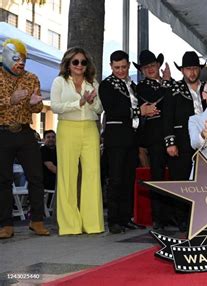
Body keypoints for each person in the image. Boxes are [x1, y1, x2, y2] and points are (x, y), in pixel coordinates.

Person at [99, 50, 157, 234]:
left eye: (124, 67)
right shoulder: (107, 85)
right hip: (116, 139)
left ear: (128, 66)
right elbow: (113, 109)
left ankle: (126, 218)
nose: (121, 70)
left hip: (132, 138)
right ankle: (114, 220)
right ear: (111, 67)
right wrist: (140, 112)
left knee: (128, 179)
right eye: (117, 67)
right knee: (115, 179)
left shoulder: (132, 85)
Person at [50, 47, 104, 235]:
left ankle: (93, 224)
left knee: (92, 175)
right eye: (75, 62)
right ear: (68, 64)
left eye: (83, 62)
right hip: (67, 129)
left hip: (90, 129)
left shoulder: (93, 83)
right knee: (67, 176)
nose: (80, 65)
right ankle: (69, 225)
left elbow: (99, 109)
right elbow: (55, 106)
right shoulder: (59, 82)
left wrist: (91, 102)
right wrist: (78, 103)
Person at [0, 38, 49, 238]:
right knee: (3, 179)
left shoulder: (32, 78)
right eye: (17, 59)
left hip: (26, 132)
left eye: (24, 60)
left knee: (36, 176)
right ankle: (5, 225)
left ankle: (36, 221)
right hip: (2, 132)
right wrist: (10, 100)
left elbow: (37, 108)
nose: (21, 63)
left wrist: (35, 103)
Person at [162, 51, 206, 230]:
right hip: (181, 142)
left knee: (203, 181)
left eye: (194, 68)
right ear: (182, 70)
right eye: (188, 69)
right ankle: (183, 219)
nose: (192, 73)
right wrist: (170, 143)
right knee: (182, 181)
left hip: (206, 142)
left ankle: (203, 217)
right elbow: (167, 118)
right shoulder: (173, 89)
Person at [134, 49, 173, 230]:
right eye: (146, 67)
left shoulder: (170, 84)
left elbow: (173, 103)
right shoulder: (140, 87)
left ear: (158, 65)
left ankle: (175, 215)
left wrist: (168, 82)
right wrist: (166, 84)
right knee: (157, 177)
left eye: (152, 65)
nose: (150, 69)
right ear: (141, 70)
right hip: (154, 137)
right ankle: (159, 217)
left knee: (174, 176)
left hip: (173, 135)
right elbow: (156, 100)